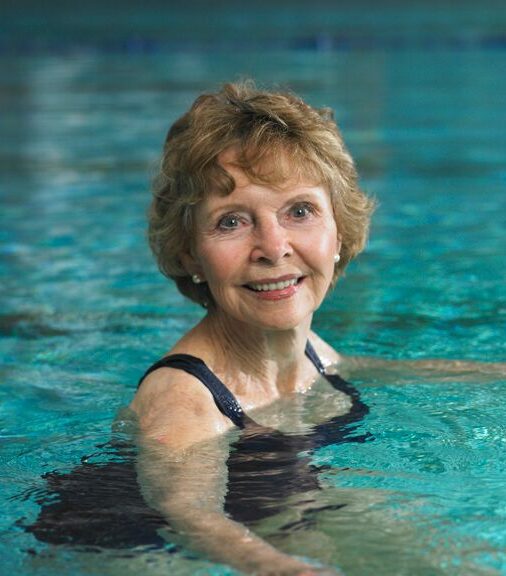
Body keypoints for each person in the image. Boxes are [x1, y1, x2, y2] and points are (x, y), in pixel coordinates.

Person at [129, 80, 376, 575]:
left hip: (278, 513)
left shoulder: (310, 351)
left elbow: (371, 369)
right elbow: (189, 514)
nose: (273, 246)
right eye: (231, 222)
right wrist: (284, 569)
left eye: (300, 211)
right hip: (136, 551)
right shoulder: (186, 402)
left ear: (339, 232)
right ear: (189, 254)